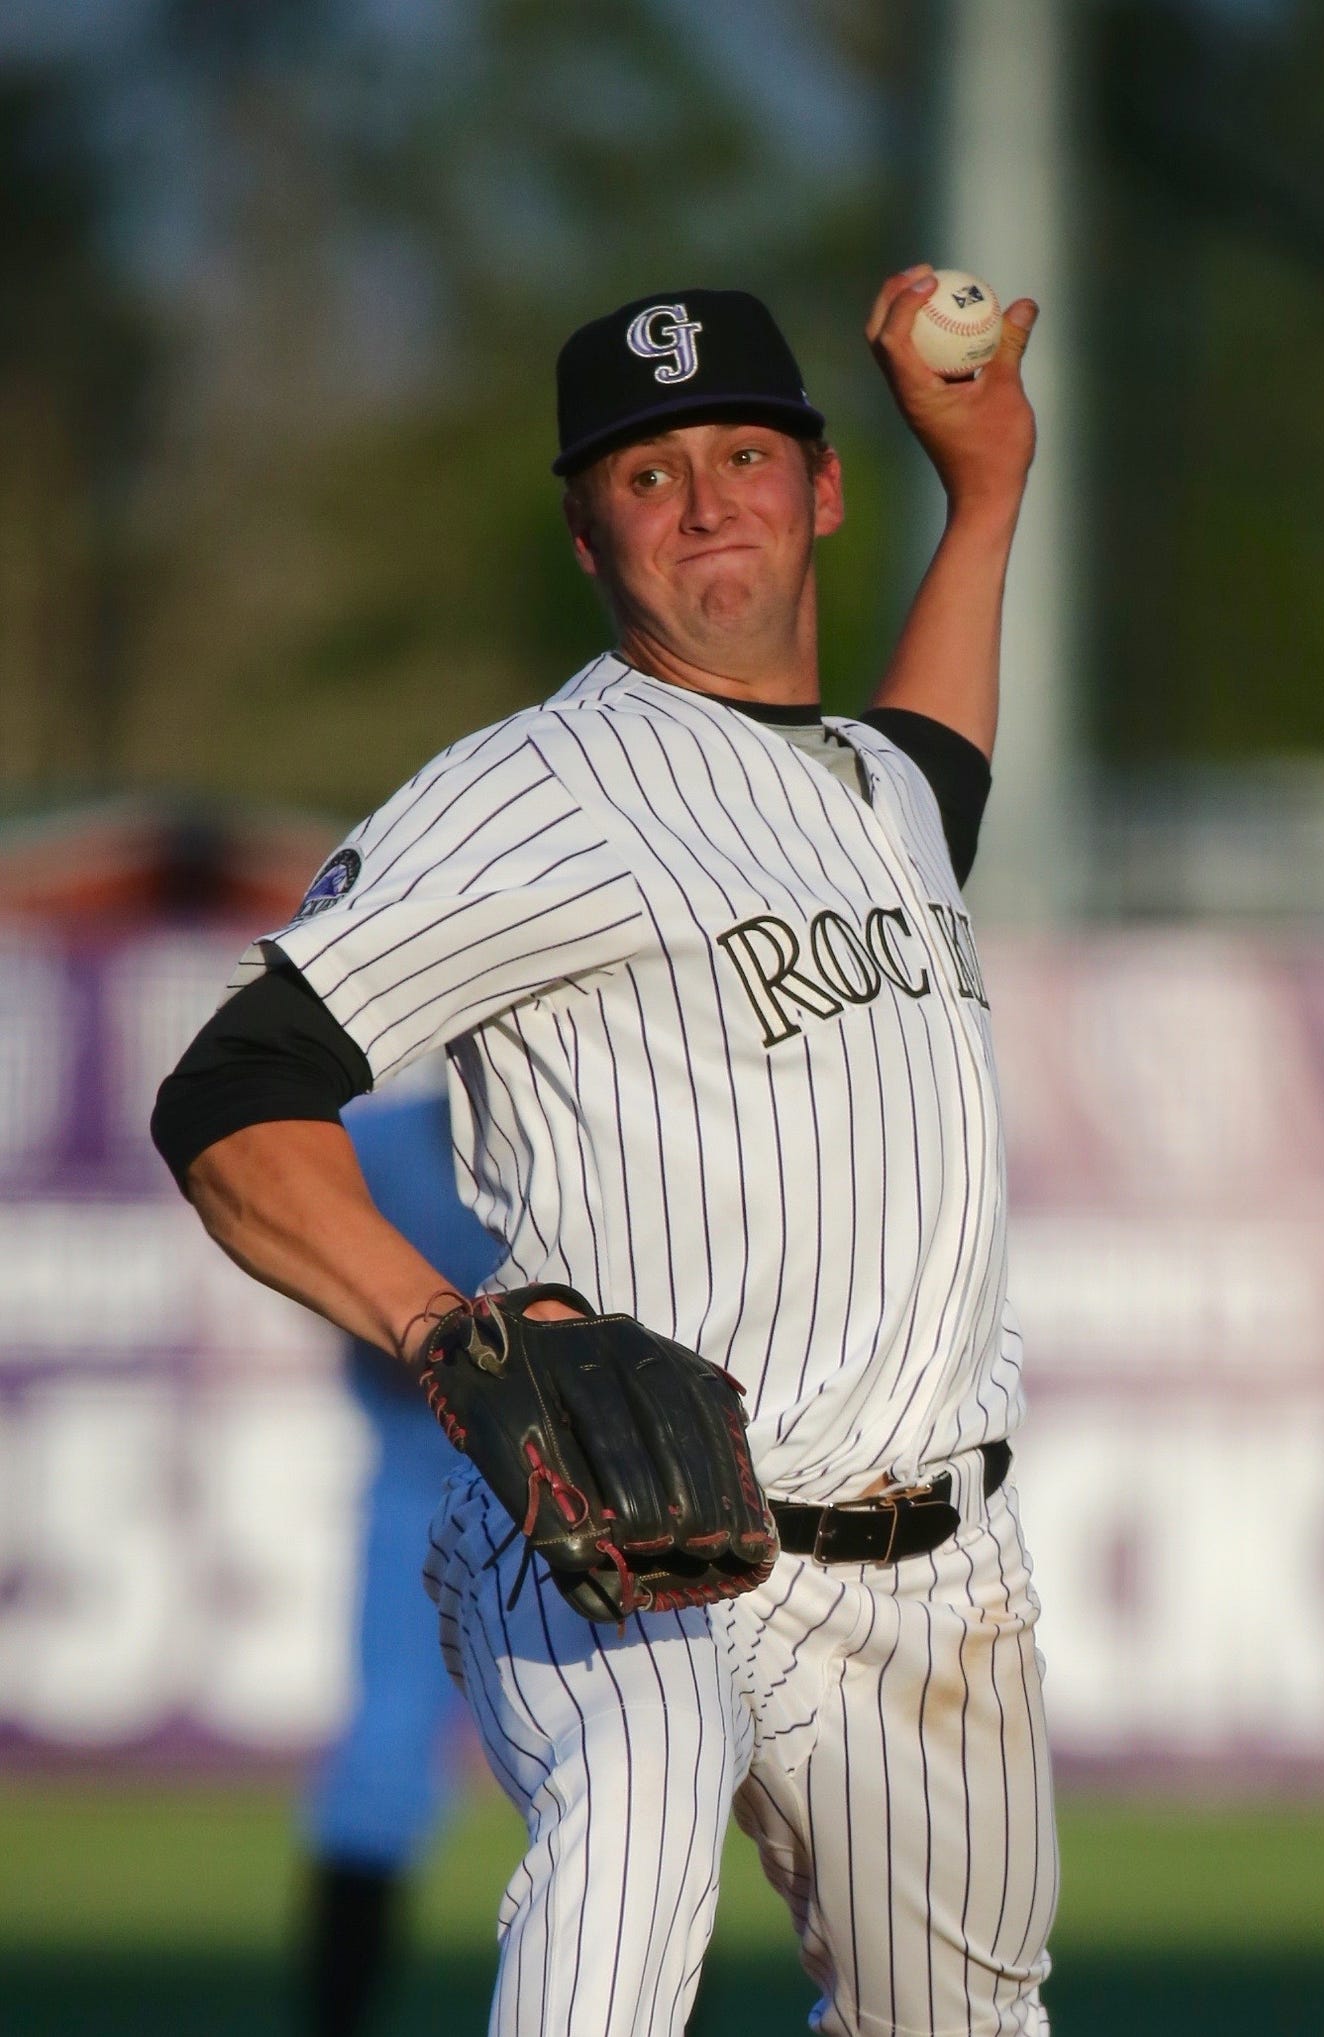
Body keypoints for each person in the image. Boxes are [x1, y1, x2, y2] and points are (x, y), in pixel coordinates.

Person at [153, 267, 1057, 2037]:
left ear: (822, 490)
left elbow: (933, 770)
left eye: (741, 452)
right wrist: (437, 1329)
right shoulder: (533, 794)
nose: (705, 497)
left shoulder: (869, 788)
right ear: (586, 535)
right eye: (647, 475)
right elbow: (230, 1090)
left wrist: (993, 490)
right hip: (635, 1527)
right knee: (626, 1844)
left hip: (936, 1581)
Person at [297, 1071, 499, 2037]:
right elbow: (348, 1315)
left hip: (575, 1496)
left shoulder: (609, 1122)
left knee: (641, 1775)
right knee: (380, 1768)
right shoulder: (374, 1145)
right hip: (424, 1481)